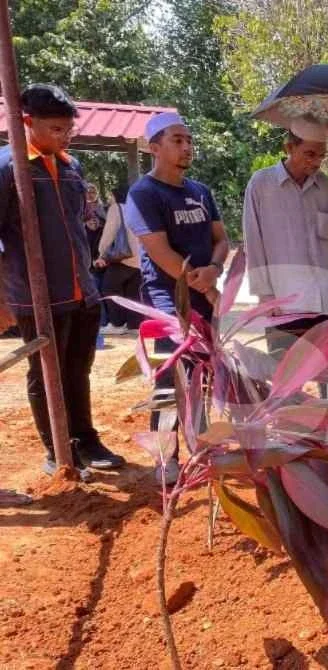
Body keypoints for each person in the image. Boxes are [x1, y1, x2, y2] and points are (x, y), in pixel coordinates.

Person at [0, 84, 124, 478]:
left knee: (78, 369)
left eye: (67, 129)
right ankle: (58, 449)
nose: (64, 136)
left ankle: (86, 440)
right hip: (37, 296)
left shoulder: (72, 168)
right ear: (26, 123)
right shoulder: (9, 169)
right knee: (45, 372)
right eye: (55, 129)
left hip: (82, 291)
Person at [125, 111, 229, 485]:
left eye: (188, 140)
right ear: (155, 148)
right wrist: (201, 282)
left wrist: (214, 270)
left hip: (203, 298)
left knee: (202, 377)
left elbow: (222, 239)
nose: (187, 147)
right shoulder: (143, 194)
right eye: (177, 140)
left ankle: (201, 448)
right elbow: (160, 252)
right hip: (164, 304)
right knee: (169, 382)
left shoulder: (200, 192)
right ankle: (165, 459)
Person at [242, 117, 328, 360]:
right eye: (309, 154)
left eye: (321, 156)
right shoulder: (261, 185)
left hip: (326, 299)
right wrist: (265, 296)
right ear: (289, 148)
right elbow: (253, 242)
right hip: (285, 302)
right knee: (286, 378)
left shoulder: (323, 185)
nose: (316, 162)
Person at [95, 184, 142, 334]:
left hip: (123, 257)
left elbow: (110, 231)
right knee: (132, 292)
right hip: (139, 259)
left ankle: (117, 324)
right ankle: (134, 325)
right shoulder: (138, 207)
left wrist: (101, 252)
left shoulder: (117, 208)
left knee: (109, 288)